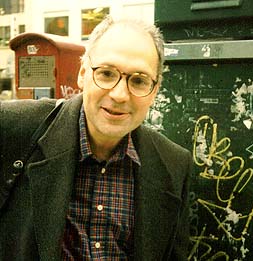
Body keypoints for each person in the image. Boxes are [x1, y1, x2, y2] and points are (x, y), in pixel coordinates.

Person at [0, 16, 192, 260]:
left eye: (139, 80)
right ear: (82, 73)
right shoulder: (13, 129)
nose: (120, 94)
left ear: (154, 91)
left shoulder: (174, 165)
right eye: (107, 74)